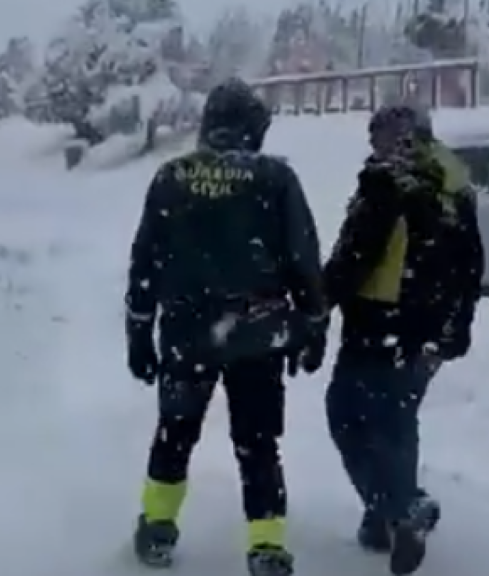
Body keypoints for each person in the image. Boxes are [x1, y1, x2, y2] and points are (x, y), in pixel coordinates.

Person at [123, 78, 328, 576]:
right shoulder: (275, 179)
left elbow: (145, 260)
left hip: (187, 334)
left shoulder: (172, 177)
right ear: (251, 128)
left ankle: (157, 529)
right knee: (258, 443)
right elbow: (303, 258)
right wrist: (313, 323)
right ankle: (266, 547)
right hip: (257, 334)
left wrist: (139, 330)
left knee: (174, 433)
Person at [321, 104, 483, 575]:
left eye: (382, 138)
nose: (377, 148)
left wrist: (317, 304)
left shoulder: (389, 181)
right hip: (427, 328)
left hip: (378, 321)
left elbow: (355, 255)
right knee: (395, 421)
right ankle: (388, 515)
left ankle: (397, 510)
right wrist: (455, 331)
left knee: (348, 418)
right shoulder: (453, 183)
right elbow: (471, 263)